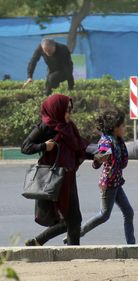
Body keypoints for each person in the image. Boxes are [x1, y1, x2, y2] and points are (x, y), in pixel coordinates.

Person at [21, 94, 90, 246]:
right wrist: (44, 146)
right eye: (66, 110)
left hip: (68, 178)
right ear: (56, 110)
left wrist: (95, 156)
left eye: (70, 110)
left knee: (74, 219)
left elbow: (78, 148)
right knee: (71, 220)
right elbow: (25, 147)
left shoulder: (69, 127)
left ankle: (44, 242)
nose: (69, 113)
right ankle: (51, 244)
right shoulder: (45, 127)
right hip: (52, 179)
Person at [77, 110, 136, 245]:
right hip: (109, 184)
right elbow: (101, 154)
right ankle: (77, 233)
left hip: (116, 183)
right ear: (115, 128)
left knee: (128, 212)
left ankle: (131, 244)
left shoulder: (118, 140)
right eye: (123, 125)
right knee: (104, 215)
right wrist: (100, 157)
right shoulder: (106, 141)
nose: (125, 127)